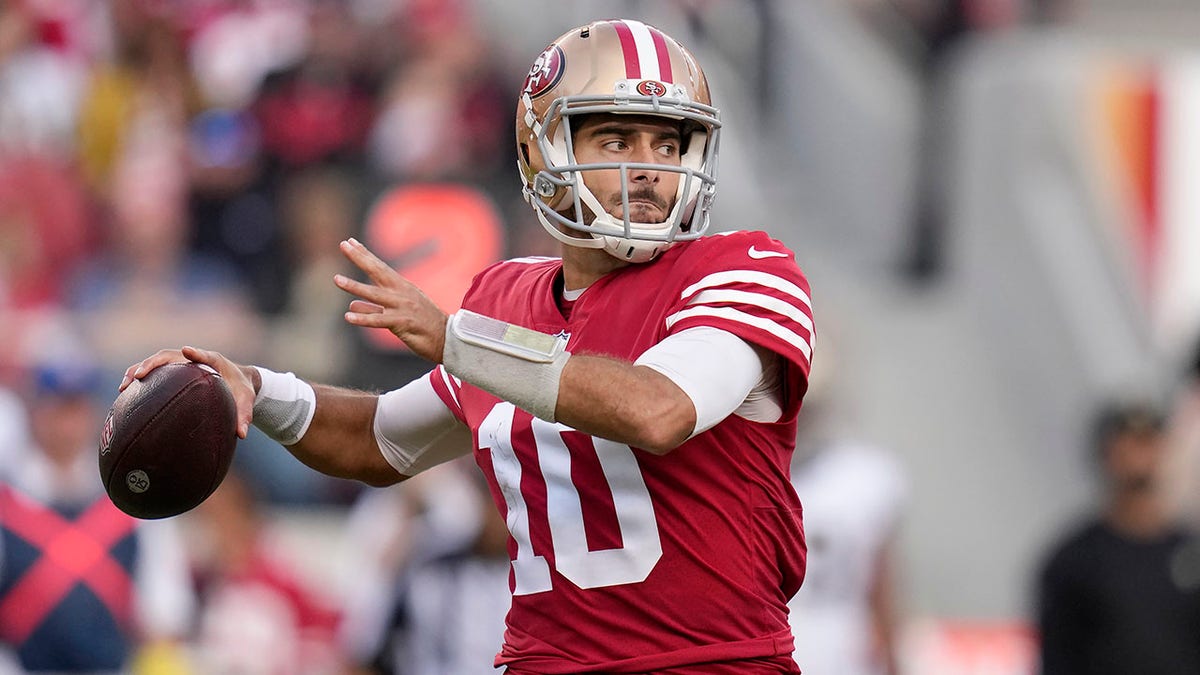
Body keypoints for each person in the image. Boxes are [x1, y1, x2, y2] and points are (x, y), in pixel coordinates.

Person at [122, 18, 815, 673]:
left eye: (669, 143)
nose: (651, 168)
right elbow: (380, 441)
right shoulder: (508, 304)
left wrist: (459, 340)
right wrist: (257, 386)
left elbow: (658, 409)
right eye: (617, 140)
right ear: (544, 151)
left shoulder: (741, 269)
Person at [0, 358, 194, 674]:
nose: (67, 425)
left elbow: (164, 612)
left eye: (76, 409)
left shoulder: (135, 503)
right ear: (35, 412)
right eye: (57, 409)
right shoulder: (6, 504)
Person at [1035, 399, 1200, 675]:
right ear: (1105, 454)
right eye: (1128, 443)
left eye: (1149, 442)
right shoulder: (1076, 561)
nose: (1140, 455)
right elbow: (1058, 656)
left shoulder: (1190, 553)